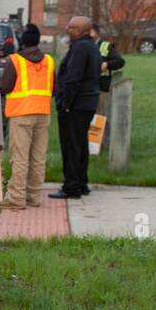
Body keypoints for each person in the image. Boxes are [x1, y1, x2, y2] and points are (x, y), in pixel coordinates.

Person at [0, 24, 54, 210]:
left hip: (21, 114)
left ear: (22, 41)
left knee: (20, 157)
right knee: (38, 157)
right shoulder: (49, 61)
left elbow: (4, 87)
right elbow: (54, 89)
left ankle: (16, 198)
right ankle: (33, 196)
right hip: (43, 113)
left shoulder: (15, 61)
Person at [52, 16, 102, 200]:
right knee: (80, 144)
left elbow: (73, 78)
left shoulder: (80, 48)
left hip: (76, 104)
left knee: (71, 146)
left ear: (81, 31)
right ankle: (82, 183)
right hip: (88, 103)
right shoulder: (92, 46)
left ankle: (71, 186)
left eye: (71, 27)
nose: (67, 29)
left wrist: (65, 104)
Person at [88, 22, 126, 96]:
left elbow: (120, 62)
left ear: (96, 32)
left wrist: (107, 64)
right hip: (86, 84)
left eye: (90, 31)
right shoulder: (82, 45)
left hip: (102, 85)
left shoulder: (106, 45)